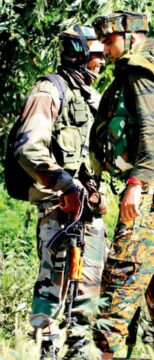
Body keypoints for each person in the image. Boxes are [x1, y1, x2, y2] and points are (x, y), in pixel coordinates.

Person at [90, 11, 154, 360]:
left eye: (108, 40)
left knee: (120, 282)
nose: (104, 48)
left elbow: (152, 130)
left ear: (131, 36)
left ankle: (110, 354)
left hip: (149, 191)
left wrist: (136, 183)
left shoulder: (139, 69)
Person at [11, 25, 107, 359]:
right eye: (95, 56)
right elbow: (28, 149)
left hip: (89, 210)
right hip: (57, 209)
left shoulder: (92, 97)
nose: (101, 62)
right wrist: (65, 185)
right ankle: (46, 350)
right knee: (53, 288)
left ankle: (77, 350)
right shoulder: (49, 91)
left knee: (88, 291)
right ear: (78, 54)